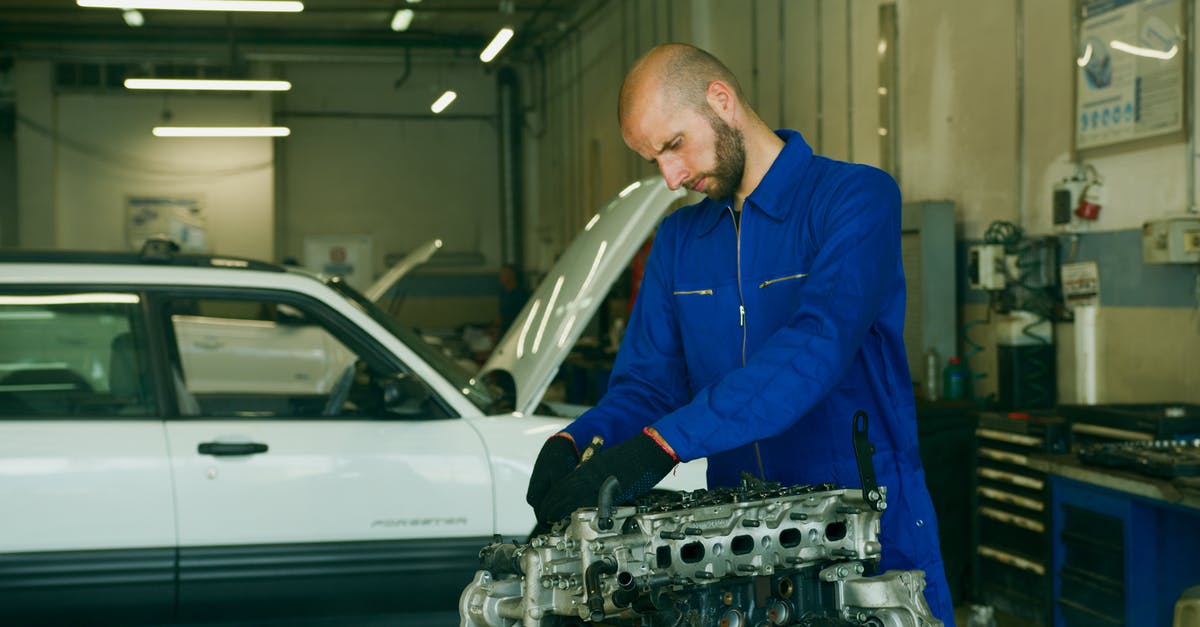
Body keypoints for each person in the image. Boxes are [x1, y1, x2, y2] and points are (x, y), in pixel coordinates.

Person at [523, 43, 955, 624]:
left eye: (673, 146)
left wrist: (661, 445)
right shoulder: (678, 242)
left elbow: (814, 347)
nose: (671, 178)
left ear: (720, 101)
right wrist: (577, 442)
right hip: (734, 548)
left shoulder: (854, 199)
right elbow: (648, 385)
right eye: (654, 160)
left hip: (866, 528)